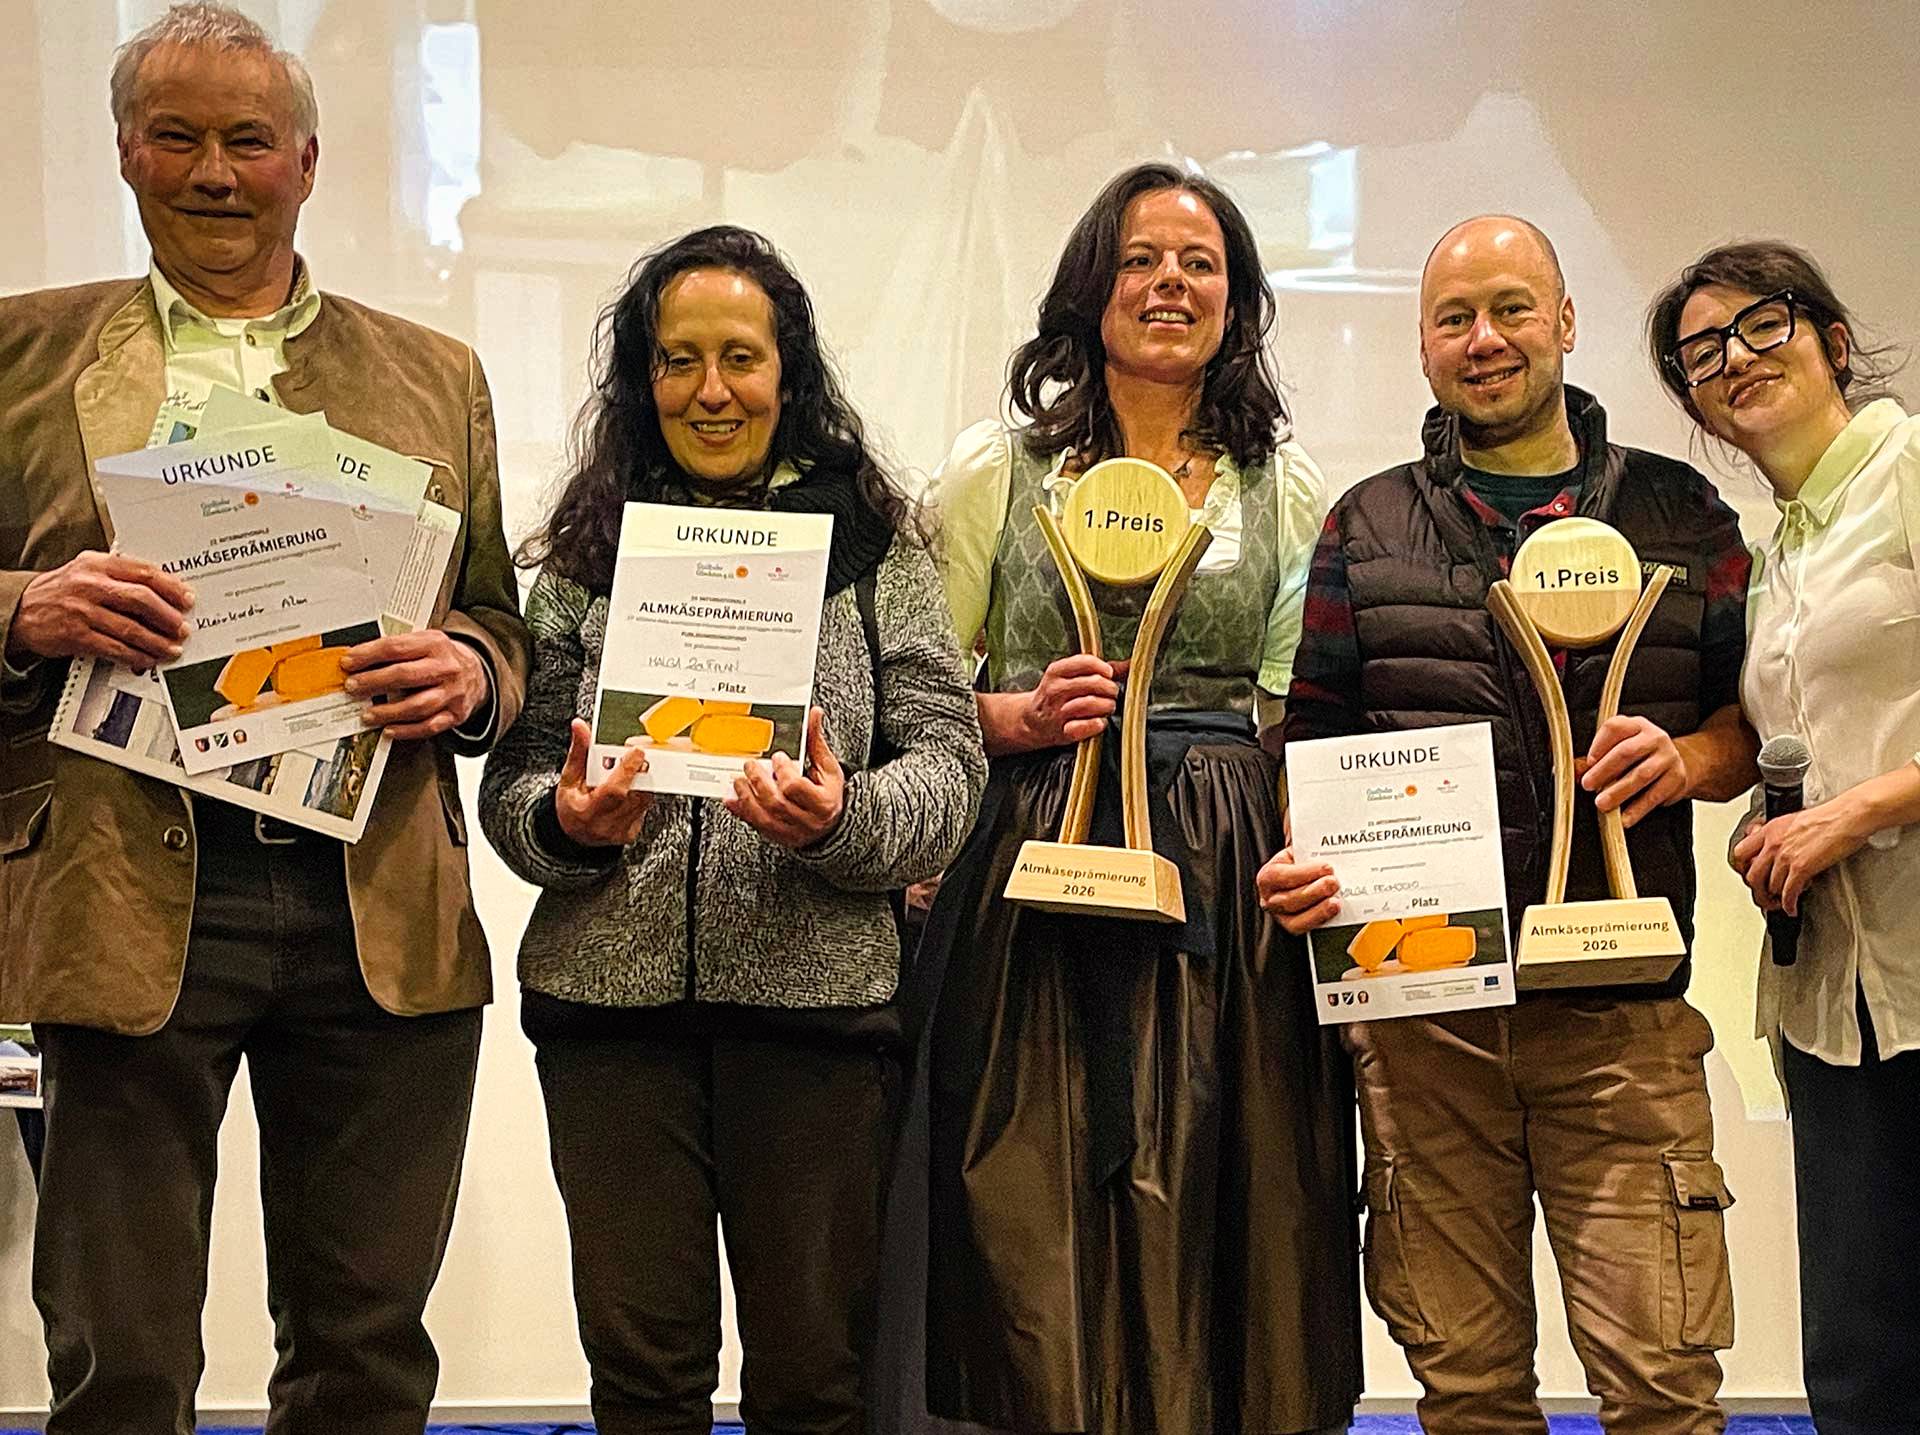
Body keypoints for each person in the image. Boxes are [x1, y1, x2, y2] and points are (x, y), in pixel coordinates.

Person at [0, 6, 528, 1431]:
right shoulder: (19, 356)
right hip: (122, 889)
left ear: (307, 161)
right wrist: (27, 607)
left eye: (247, 140)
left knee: (366, 1350)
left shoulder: (435, 374)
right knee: (118, 1351)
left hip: (374, 897)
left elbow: (500, 620)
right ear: (125, 152)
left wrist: (472, 673)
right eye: (177, 136)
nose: (214, 172)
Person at [479, 225, 985, 1435]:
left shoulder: (875, 549)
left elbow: (950, 763)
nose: (712, 390)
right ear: (643, 378)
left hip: (817, 1024)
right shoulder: (588, 554)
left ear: (787, 372)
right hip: (608, 1024)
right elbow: (515, 781)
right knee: (643, 1382)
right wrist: (569, 821)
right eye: (679, 359)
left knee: (813, 1384)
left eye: (741, 358)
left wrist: (843, 820)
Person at [1261, 215, 1759, 1434]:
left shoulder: (1682, 512)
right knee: (1467, 1390)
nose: (1484, 339)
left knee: (1664, 1388)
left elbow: (1750, 720)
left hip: (1624, 1019)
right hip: (1424, 1024)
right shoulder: (1366, 524)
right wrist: (1300, 859)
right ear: (1424, 345)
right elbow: (1313, 735)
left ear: (1566, 321)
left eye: (1511, 309)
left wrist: (1689, 758)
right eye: (1454, 318)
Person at [916, 161, 1359, 1435]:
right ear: (1090, 288)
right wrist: (1016, 716)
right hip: (1033, 861)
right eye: (1142, 258)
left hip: (1224, 864)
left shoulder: (1285, 487)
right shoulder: (997, 470)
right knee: (1030, 1193)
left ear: (1237, 298)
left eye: (1200, 263)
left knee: (1225, 1182)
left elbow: (1294, 714)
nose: (1171, 283)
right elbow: (919, 692)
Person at [1648, 241, 1920, 1435]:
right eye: (1702, 352)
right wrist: (1774, 823)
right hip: (1830, 993)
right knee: (1859, 1353)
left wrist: (1854, 813)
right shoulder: (1770, 555)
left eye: (1762, 325)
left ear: (1833, 340)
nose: (1735, 359)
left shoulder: (1910, 470)